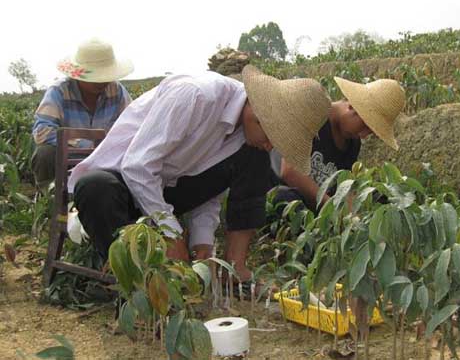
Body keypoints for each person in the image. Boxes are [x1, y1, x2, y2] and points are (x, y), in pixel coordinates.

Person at [67, 65, 332, 284]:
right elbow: (137, 166)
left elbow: (208, 187)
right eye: (272, 137)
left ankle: (232, 268)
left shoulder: (244, 135)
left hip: (164, 189)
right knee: (95, 188)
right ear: (260, 114)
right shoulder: (195, 96)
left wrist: (202, 243)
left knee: (254, 156)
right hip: (123, 182)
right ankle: (131, 282)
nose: (270, 146)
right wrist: (171, 233)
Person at [271, 76, 406, 211]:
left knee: (377, 197)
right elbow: (289, 171)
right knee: (285, 199)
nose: (364, 135)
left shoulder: (352, 143)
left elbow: (342, 185)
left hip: (317, 206)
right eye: (365, 126)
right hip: (280, 193)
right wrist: (332, 208)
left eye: (370, 132)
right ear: (353, 106)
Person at [31, 38, 133, 188]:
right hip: (69, 154)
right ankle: (50, 199)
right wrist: (83, 144)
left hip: (106, 156)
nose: (101, 81)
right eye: (95, 77)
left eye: (104, 75)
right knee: (44, 154)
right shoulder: (59, 91)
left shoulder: (116, 91)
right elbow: (42, 131)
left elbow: (133, 124)